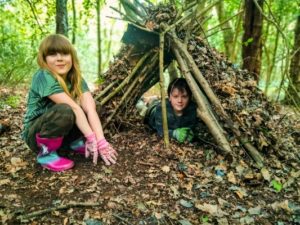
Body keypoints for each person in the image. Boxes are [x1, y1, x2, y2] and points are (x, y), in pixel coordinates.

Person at [22, 34, 117, 172]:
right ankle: (46, 154)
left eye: (65, 53)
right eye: (53, 54)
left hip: (61, 131)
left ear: (72, 56)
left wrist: (101, 141)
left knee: (96, 106)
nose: (60, 58)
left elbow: (89, 109)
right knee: (66, 110)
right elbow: (73, 108)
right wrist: (91, 138)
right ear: (44, 59)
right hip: (36, 135)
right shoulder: (43, 75)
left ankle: (74, 142)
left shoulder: (76, 77)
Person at [144, 78, 198, 143]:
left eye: (184, 96)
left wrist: (190, 134)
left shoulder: (192, 109)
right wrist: (174, 133)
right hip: (152, 111)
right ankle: (150, 100)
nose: (180, 101)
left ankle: (154, 99)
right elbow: (160, 131)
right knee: (145, 108)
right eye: (175, 96)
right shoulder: (161, 108)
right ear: (169, 97)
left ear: (189, 97)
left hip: (164, 103)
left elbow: (191, 128)